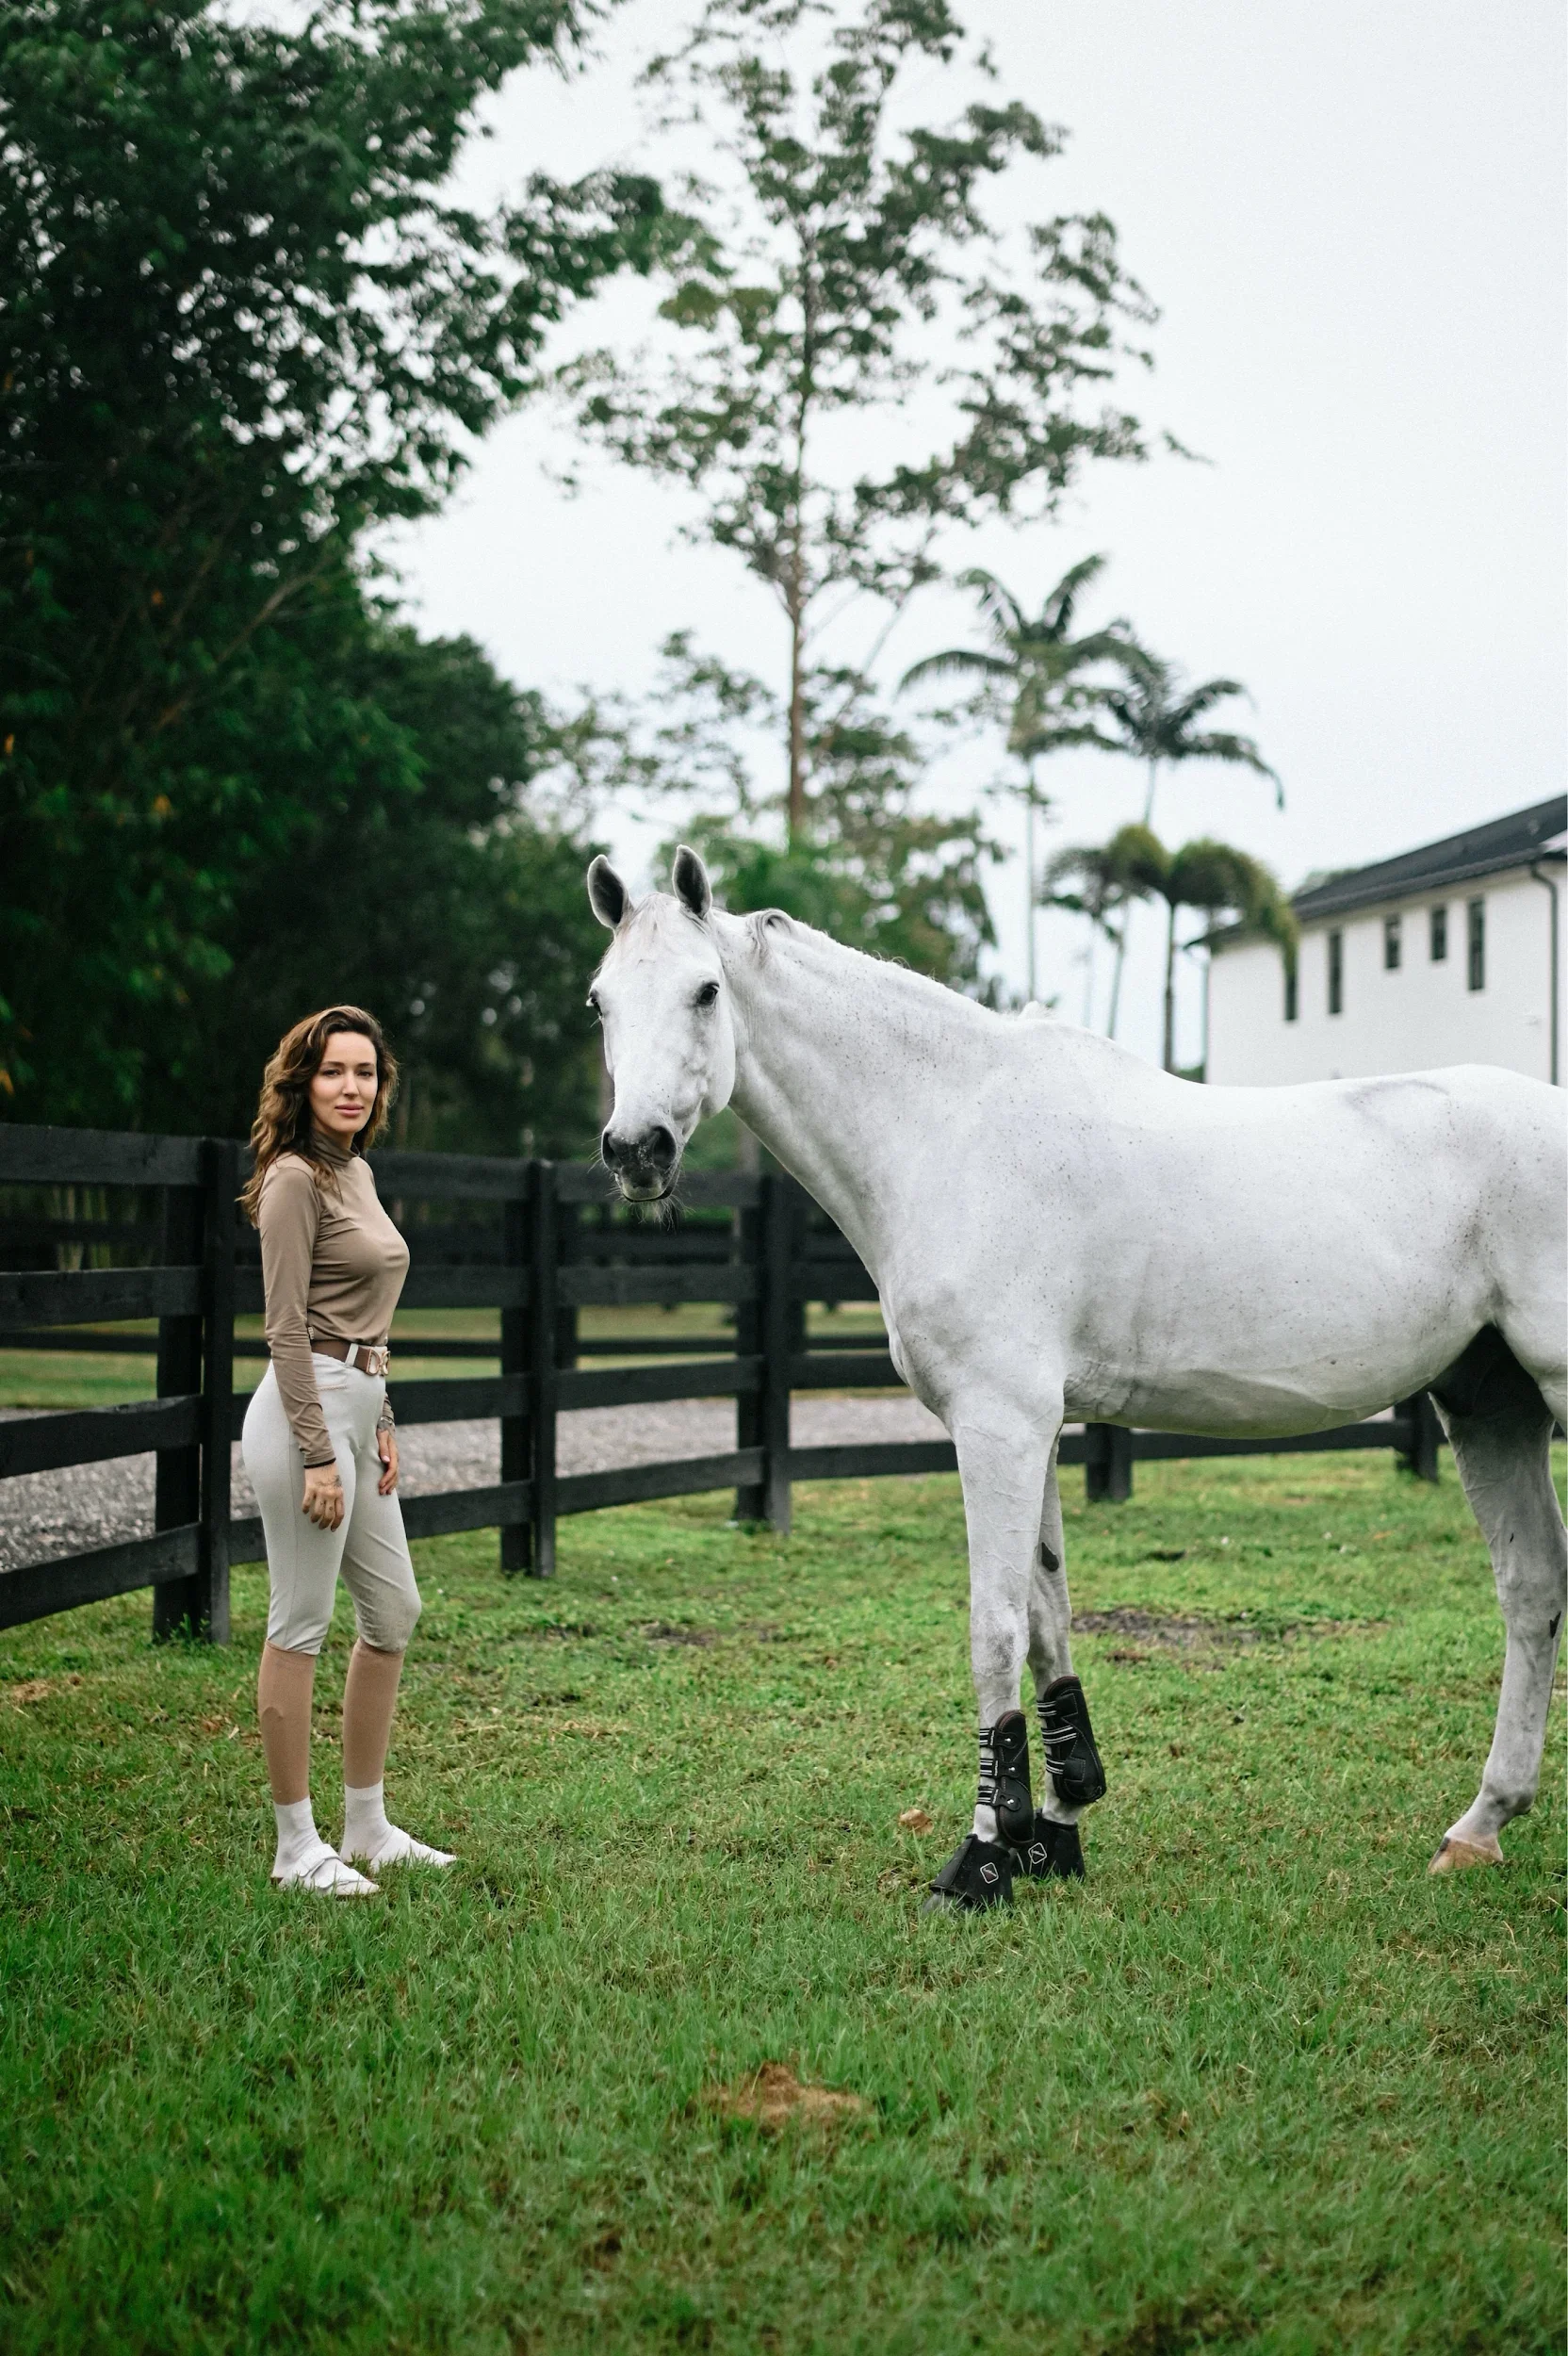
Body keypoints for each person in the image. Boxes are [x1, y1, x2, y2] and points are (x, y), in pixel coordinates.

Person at [240, 1006, 454, 1897]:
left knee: (393, 1612)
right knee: (300, 1624)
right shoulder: (294, 1179)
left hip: (360, 1411)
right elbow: (285, 1329)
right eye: (334, 1072)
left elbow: (369, 1320)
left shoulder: (357, 1172)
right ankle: (298, 1849)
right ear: (304, 1080)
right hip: (307, 1415)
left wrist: (383, 1423)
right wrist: (322, 1452)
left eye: (365, 1073)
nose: (352, 1087)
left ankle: (366, 1828)